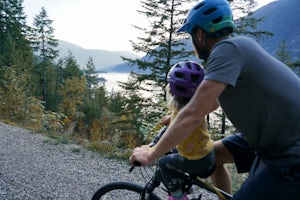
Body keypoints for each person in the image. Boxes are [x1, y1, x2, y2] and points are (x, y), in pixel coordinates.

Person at [130, 0, 300, 199]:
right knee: (212, 157)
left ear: (200, 35)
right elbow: (210, 102)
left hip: (289, 153)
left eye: (191, 35)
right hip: (271, 138)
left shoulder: (225, 51)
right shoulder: (238, 47)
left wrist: (151, 153)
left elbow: (193, 114)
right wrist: (176, 117)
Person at [154, 61, 217, 200]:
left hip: (197, 162)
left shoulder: (181, 114)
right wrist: (172, 117)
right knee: (176, 152)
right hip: (208, 153)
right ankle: (186, 183)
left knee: (163, 163)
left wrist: (153, 147)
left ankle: (178, 196)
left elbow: (170, 134)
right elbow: (214, 105)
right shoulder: (197, 107)